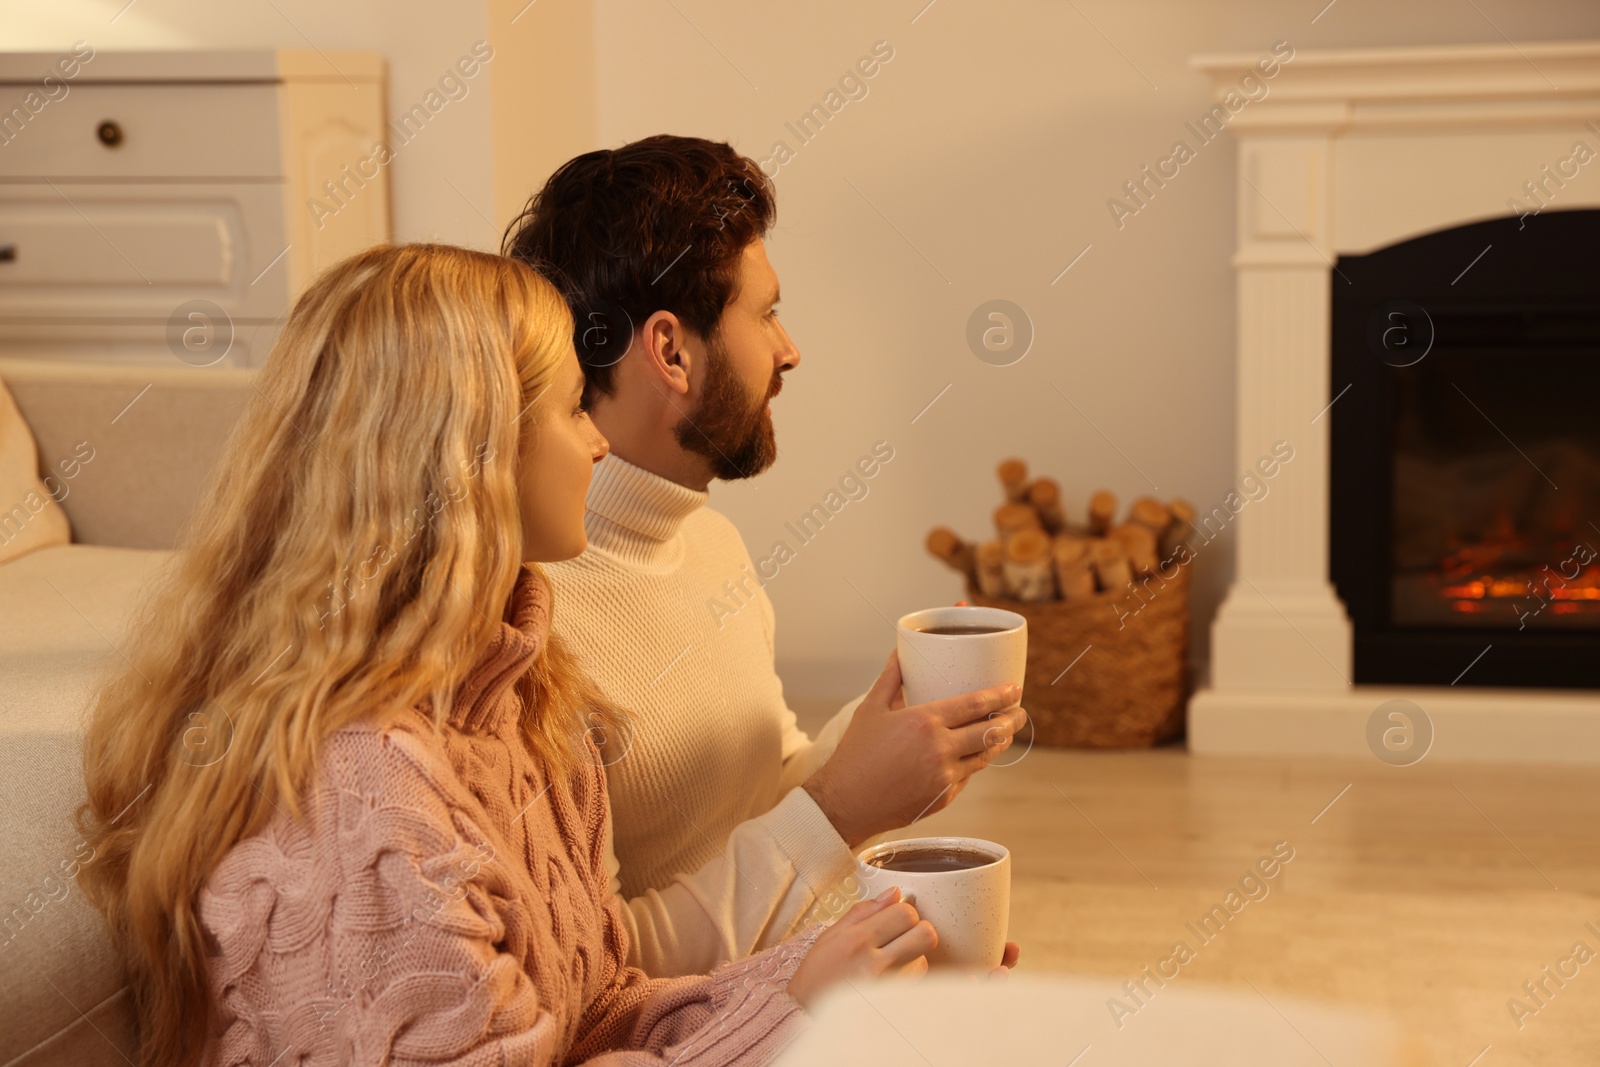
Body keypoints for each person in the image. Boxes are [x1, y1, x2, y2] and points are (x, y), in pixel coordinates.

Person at [74, 244, 943, 1067]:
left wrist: (836, 971)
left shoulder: (522, 693)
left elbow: (599, 1008)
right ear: (470, 456)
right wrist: (794, 1013)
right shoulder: (368, 804)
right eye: (572, 406)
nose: (599, 443)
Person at [503, 136, 1027, 977]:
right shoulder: (527, 620)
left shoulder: (708, 539)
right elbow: (597, 966)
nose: (789, 349)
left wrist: (902, 728)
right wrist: (840, 808)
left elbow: (762, 789)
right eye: (766, 312)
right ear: (671, 351)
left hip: (796, 990)